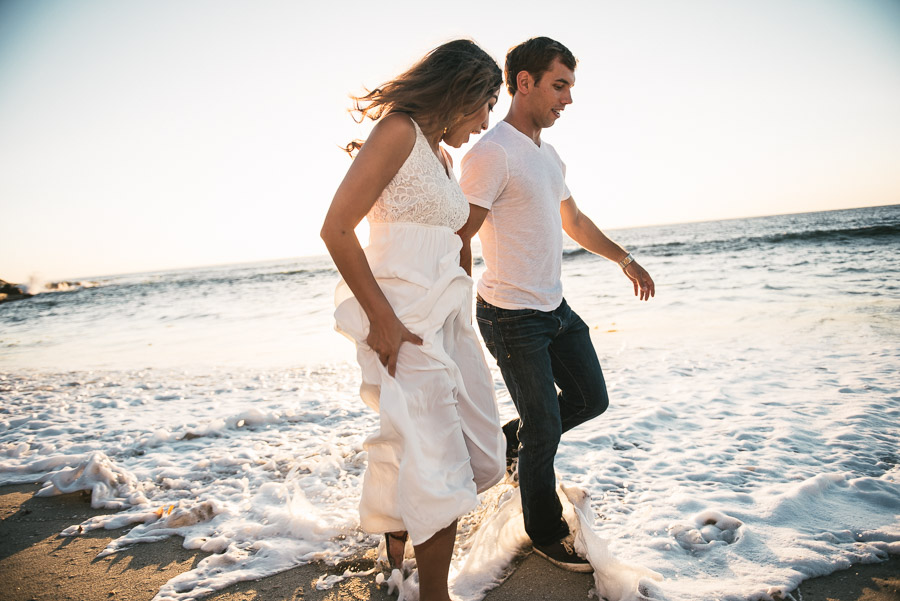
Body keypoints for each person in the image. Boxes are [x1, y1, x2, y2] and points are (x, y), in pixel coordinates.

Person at [457, 36, 655, 573]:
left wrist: (623, 259)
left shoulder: (549, 155)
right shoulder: (490, 154)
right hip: (509, 315)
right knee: (544, 427)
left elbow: (574, 221)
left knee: (591, 398)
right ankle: (544, 530)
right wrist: (446, 312)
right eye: (559, 85)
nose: (567, 99)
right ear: (524, 83)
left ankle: (510, 442)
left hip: (555, 309)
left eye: (569, 86)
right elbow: (461, 237)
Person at [320, 39, 506, 601]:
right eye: (484, 104)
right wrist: (381, 320)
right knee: (438, 454)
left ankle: (399, 540)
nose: (484, 121)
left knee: (482, 450)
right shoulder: (398, 131)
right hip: (402, 316)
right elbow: (336, 229)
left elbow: (453, 236)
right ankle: (433, 595)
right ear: (460, 91)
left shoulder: (442, 156)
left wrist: (465, 303)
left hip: (448, 318)